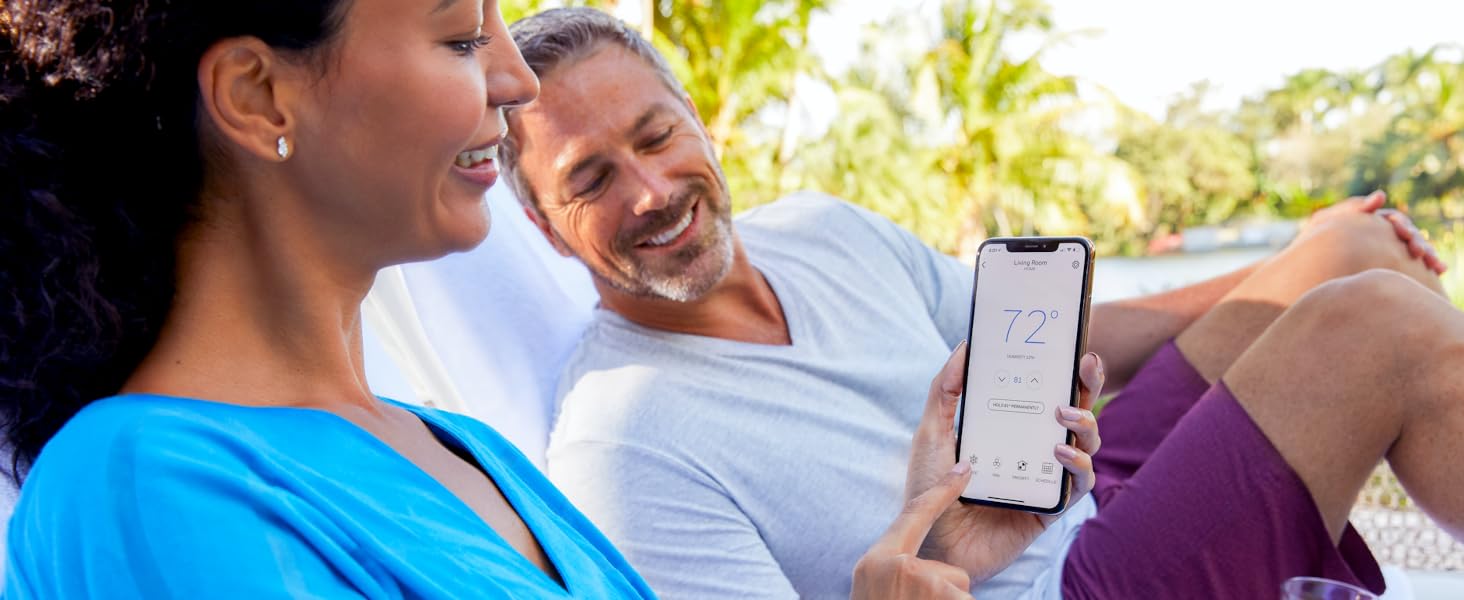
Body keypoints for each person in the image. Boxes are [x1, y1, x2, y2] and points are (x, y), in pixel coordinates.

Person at [0, 1, 1091, 598]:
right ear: (256, 92)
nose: (514, 80)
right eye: (458, 36)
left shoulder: (475, 454)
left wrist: (932, 568)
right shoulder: (141, 484)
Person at [498, 7, 1464, 598]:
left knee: (1346, 260)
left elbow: (1058, 339)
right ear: (544, 227)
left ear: (700, 124)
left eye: (657, 136)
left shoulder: (820, 230)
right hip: (1068, 589)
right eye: (590, 180)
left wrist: (1295, 261)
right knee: (1380, 329)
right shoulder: (617, 444)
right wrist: (937, 546)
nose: (651, 191)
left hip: (1081, 501)